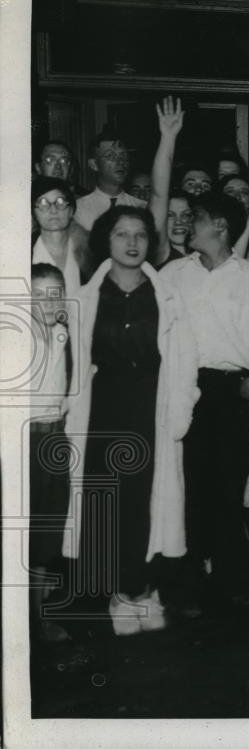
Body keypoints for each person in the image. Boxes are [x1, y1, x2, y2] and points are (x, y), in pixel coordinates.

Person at [63, 205, 198, 635]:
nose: (132, 242)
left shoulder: (166, 297)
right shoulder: (86, 296)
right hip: (102, 410)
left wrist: (181, 409)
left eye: (139, 234)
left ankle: (140, 590)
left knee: (144, 501)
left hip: (150, 410)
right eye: (122, 234)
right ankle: (116, 594)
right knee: (105, 504)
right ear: (107, 240)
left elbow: (185, 360)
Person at [159, 192, 249, 610]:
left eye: (197, 218)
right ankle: (188, 585)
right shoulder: (173, 274)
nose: (188, 224)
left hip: (231, 391)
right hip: (187, 389)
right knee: (189, 487)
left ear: (220, 226)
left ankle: (234, 579)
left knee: (227, 488)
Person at [28, 264, 72, 642]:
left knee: (48, 532)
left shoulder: (64, 336)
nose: (47, 302)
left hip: (55, 441)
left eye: (55, 293)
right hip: (23, 441)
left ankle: (39, 620)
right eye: (38, 294)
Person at [74, 130, 147, 231]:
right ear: (94, 164)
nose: (120, 161)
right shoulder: (78, 210)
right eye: (110, 156)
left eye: (123, 156)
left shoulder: (141, 207)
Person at [31, 178, 93, 295]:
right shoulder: (24, 253)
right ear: (34, 213)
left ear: (71, 210)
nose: (53, 210)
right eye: (43, 203)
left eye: (60, 202)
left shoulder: (89, 252)